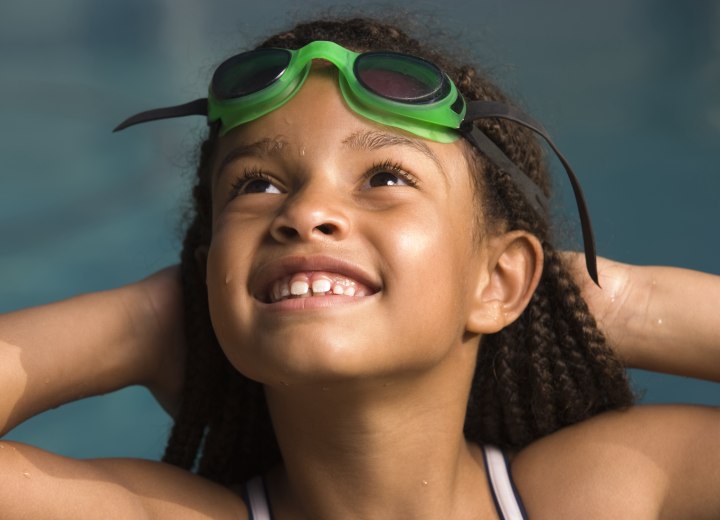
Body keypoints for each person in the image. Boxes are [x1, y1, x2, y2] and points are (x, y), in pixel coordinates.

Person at [1, 16, 718, 520]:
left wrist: (620, 300)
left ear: (498, 281)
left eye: (384, 178)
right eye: (256, 185)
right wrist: (152, 320)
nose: (305, 212)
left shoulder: (599, 493)